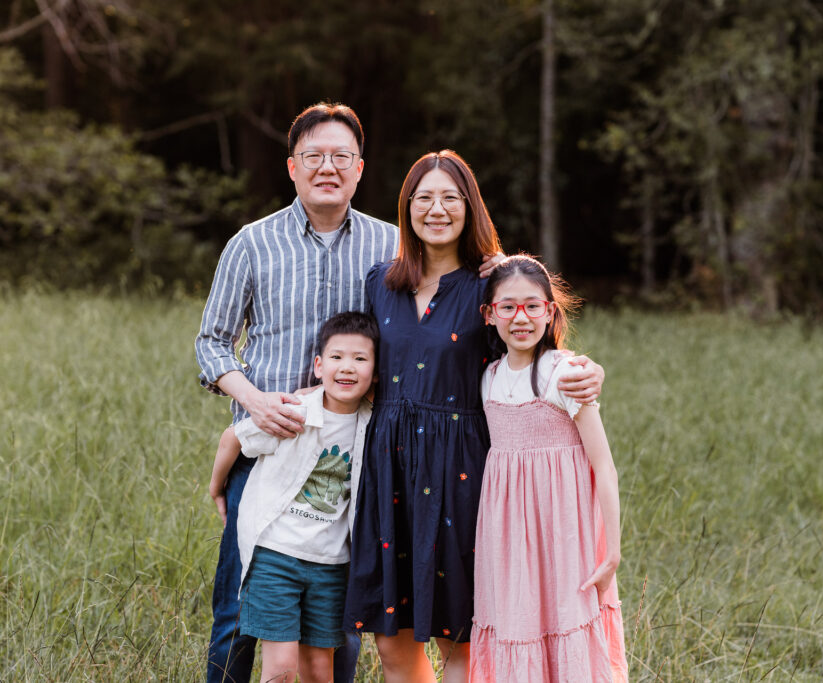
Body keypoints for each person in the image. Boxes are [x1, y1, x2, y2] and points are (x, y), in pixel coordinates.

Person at [343, 151, 606, 683]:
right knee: (392, 647)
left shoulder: (488, 284)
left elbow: (535, 346)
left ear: (470, 207)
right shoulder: (380, 283)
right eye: (424, 198)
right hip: (389, 469)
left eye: (450, 198)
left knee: (459, 641)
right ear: (406, 208)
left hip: (461, 475)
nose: (436, 209)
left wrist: (587, 370)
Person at [195, 102, 399, 683]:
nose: (327, 167)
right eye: (314, 156)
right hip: (267, 452)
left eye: (341, 156)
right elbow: (211, 344)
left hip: (353, 457)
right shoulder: (251, 244)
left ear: (360, 168)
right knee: (237, 614)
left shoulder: (391, 249)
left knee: (339, 624)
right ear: (292, 166)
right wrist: (256, 401)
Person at [470, 255, 628, 682]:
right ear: (489, 315)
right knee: (518, 627)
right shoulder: (487, 378)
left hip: (564, 536)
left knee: (565, 627)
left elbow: (604, 467)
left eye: (532, 306)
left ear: (550, 312)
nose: (520, 318)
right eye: (508, 307)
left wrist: (611, 552)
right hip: (507, 542)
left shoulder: (564, 374)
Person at [207, 312, 378, 683]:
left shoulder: (374, 423)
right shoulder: (295, 412)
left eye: (360, 359)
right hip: (275, 556)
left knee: (320, 668)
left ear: (376, 372)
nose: (347, 367)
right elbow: (232, 438)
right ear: (318, 366)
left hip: (331, 563)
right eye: (336, 357)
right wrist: (216, 486)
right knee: (281, 668)